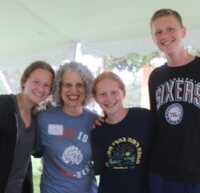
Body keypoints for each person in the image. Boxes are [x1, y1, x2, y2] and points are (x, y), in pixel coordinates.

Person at [148, 8, 200, 193]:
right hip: (162, 173)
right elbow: (155, 121)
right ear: (154, 38)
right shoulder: (155, 76)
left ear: (183, 32)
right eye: (158, 32)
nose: (165, 36)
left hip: (196, 173)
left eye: (170, 29)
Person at [36, 61, 98, 193]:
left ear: (86, 88)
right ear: (59, 87)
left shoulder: (95, 121)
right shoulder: (43, 119)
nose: (73, 90)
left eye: (79, 85)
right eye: (68, 85)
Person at [91, 71, 155, 193]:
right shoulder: (97, 130)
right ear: (96, 98)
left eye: (114, 92)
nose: (109, 98)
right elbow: (99, 167)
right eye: (103, 94)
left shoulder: (143, 117)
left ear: (123, 92)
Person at [0, 60, 55, 193]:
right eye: (36, 82)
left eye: (46, 85)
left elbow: (38, 152)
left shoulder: (38, 118)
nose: (41, 89)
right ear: (24, 81)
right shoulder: (3, 106)